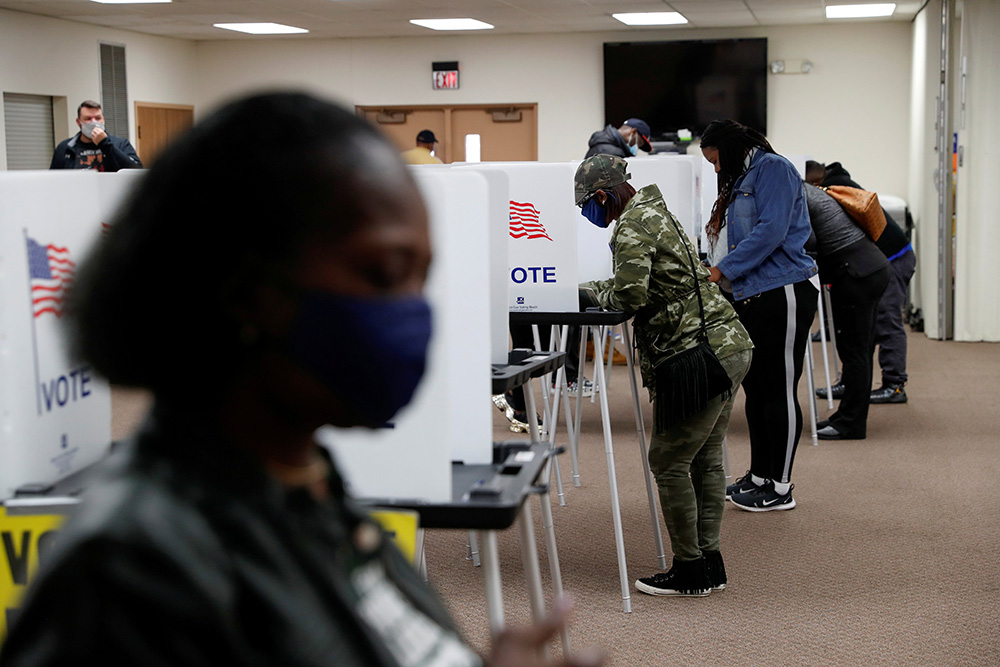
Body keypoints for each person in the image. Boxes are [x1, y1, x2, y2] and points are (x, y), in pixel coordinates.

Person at [0, 92, 600, 667]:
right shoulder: (133, 573)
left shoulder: (303, 482)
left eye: (423, 277)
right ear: (244, 289)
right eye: (385, 273)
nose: (416, 312)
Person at [575, 154, 753, 596]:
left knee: (669, 462)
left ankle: (690, 570)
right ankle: (710, 564)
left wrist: (583, 290)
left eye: (587, 205)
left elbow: (629, 296)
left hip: (695, 355)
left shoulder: (633, 224)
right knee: (706, 459)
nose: (589, 213)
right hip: (728, 344)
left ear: (602, 195)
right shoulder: (658, 211)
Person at [699, 119, 818, 512]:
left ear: (730, 148)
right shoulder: (741, 176)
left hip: (783, 290)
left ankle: (781, 488)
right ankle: (760, 475)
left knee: (780, 389)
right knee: (756, 390)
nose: (716, 170)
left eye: (716, 160)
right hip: (750, 294)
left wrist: (722, 270)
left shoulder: (774, 169)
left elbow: (770, 231)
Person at [816, 161, 915, 405]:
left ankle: (894, 385)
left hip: (892, 258)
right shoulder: (835, 184)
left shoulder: (834, 190)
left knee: (886, 320)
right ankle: (852, 383)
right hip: (876, 260)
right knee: (862, 326)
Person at [802, 182, 890, 439]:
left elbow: (807, 243)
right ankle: (846, 416)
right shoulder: (811, 192)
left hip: (856, 273)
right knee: (858, 351)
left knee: (855, 353)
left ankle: (851, 423)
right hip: (868, 268)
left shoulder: (799, 197)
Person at [49, 100, 142, 171]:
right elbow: (53, 180)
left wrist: (105, 143)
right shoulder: (65, 148)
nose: (94, 122)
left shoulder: (121, 144)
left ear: (103, 120)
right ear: (79, 122)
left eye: (98, 118)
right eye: (88, 119)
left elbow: (136, 170)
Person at [584, 119, 651, 159]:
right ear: (633, 132)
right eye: (639, 143)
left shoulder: (603, 144)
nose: (637, 147)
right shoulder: (614, 154)